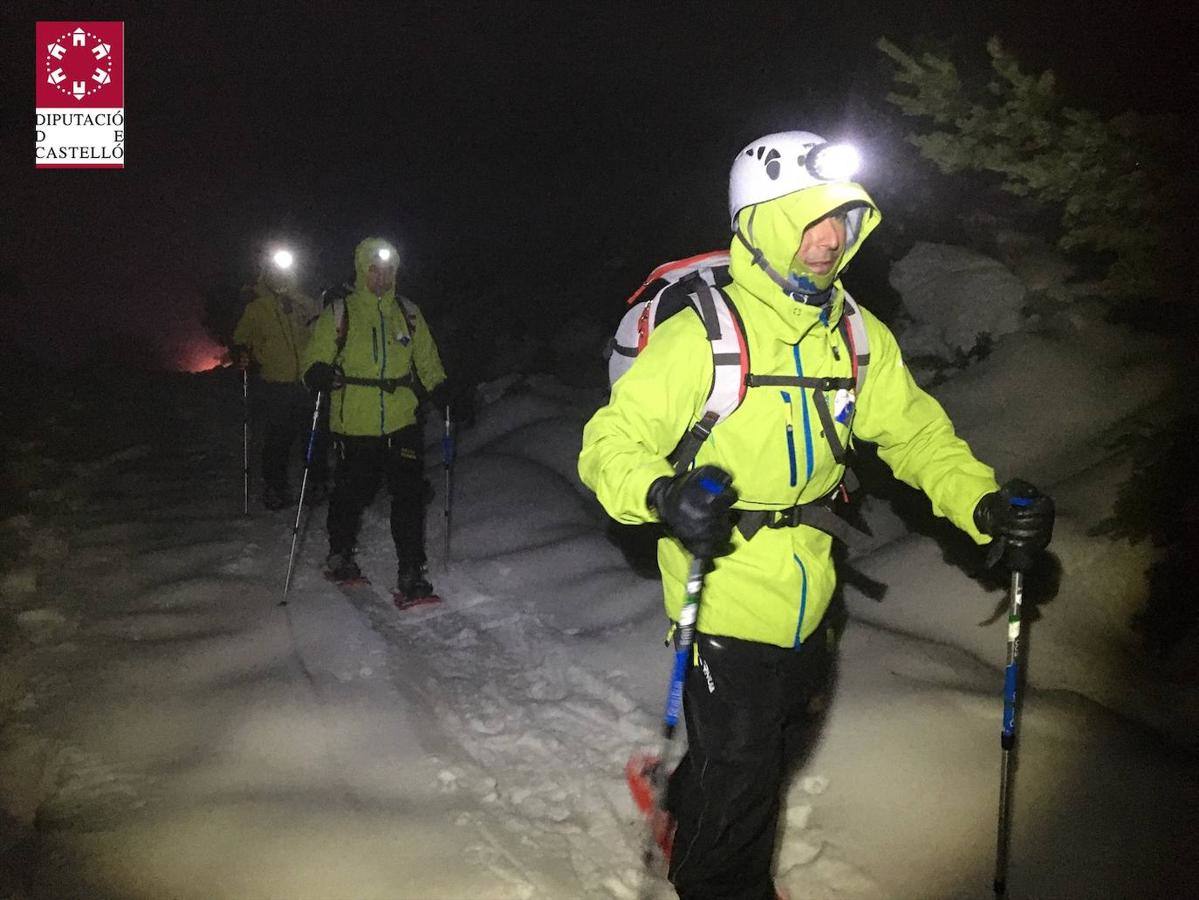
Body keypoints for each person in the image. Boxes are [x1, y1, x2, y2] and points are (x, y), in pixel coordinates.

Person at [577, 131, 1055, 899]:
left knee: (763, 751)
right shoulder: (704, 333)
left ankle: (684, 806)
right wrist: (664, 495)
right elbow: (610, 444)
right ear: (761, 222)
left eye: (840, 218)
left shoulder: (854, 333)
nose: (829, 238)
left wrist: (983, 504)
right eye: (808, 217)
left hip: (811, 590)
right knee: (742, 792)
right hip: (723, 590)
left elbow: (913, 433)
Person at [302, 237, 450, 602]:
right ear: (361, 270)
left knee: (409, 497)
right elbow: (313, 360)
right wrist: (317, 373)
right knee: (352, 493)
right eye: (374, 270)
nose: (381, 277)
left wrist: (443, 390)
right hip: (355, 422)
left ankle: (412, 571)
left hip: (402, 420)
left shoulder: (409, 312)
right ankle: (340, 553)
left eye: (387, 270)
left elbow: (427, 361)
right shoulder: (340, 312)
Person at [231, 247, 328, 510]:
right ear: (266, 274)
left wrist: (294, 296)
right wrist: (242, 354)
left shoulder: (301, 302)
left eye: (283, 270)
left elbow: (320, 319)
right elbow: (241, 339)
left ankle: (317, 483)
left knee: (313, 436)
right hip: (275, 382)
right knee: (278, 439)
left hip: (306, 382)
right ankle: (276, 487)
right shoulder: (256, 307)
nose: (279, 276)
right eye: (273, 271)